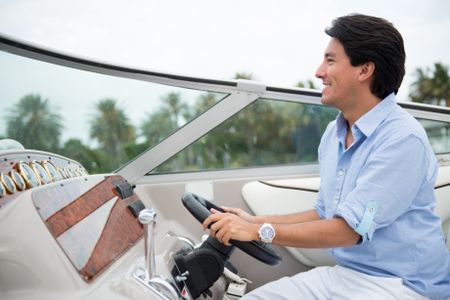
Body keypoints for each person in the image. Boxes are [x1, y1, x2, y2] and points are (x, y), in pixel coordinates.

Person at [203, 14, 450, 299]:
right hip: (347, 274)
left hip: (404, 285)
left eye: (330, 61)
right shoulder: (334, 133)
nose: (319, 72)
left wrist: (259, 232)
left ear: (365, 70)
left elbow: (350, 232)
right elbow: (324, 213)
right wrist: (253, 221)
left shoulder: (402, 140)